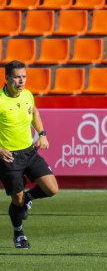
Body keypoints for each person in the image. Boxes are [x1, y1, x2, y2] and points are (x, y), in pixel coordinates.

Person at [0, 60, 59, 249]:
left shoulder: (27, 95)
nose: (21, 81)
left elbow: (34, 112)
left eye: (24, 77)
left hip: (29, 151)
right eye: (17, 77)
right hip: (9, 157)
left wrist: (42, 134)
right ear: (7, 78)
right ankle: (19, 233)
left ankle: (29, 199)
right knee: (17, 200)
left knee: (52, 189)